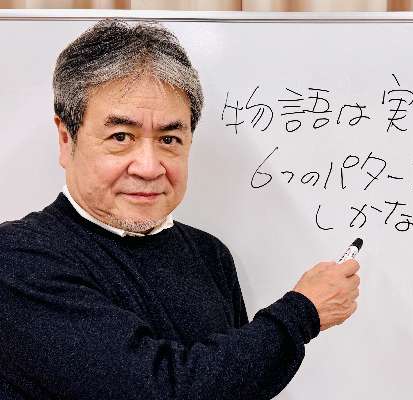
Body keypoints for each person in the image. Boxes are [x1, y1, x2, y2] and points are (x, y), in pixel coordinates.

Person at [0, 19, 360, 400]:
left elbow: (237, 388)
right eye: (121, 136)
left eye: (169, 139)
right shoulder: (17, 259)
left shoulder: (210, 255)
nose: (149, 167)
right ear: (65, 139)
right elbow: (159, 391)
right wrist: (302, 312)